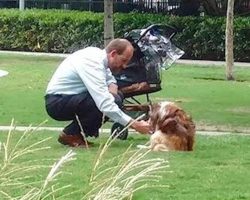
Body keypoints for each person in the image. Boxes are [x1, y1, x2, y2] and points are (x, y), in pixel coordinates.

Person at [45, 38, 150, 147]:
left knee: (116, 98)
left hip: (68, 98)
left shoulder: (99, 57)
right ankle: (70, 134)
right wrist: (135, 124)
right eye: (123, 61)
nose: (124, 66)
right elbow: (104, 103)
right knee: (105, 102)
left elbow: (111, 80)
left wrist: (113, 95)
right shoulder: (92, 63)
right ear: (113, 54)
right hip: (57, 102)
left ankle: (77, 134)